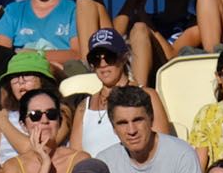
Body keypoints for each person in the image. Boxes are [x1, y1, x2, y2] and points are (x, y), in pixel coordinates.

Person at [71, 29, 171, 157]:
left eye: (109, 57)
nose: (103, 64)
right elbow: (75, 157)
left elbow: (163, 148)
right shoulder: (84, 107)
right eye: (95, 59)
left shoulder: (148, 96)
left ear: (124, 58)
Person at [0, 86, 85, 173]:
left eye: (51, 114)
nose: (44, 121)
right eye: (35, 116)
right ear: (23, 125)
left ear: (59, 121)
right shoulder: (13, 167)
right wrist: (45, 165)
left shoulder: (79, 160)